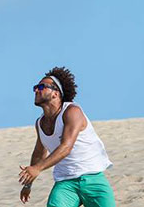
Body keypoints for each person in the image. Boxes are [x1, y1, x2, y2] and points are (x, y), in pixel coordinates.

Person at [18, 67, 115, 207]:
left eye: (41, 87)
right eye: (35, 87)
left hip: (93, 179)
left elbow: (66, 147)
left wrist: (38, 168)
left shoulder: (72, 111)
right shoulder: (40, 123)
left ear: (55, 93)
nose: (36, 90)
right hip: (65, 183)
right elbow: (39, 153)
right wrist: (28, 185)